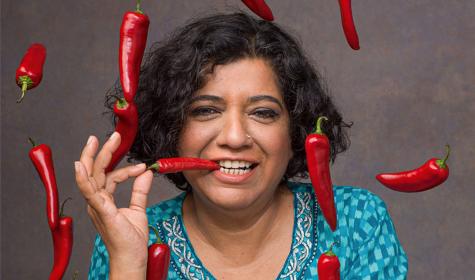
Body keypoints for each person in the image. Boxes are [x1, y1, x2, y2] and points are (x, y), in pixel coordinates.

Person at [76, 12, 408, 279]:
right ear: (171, 129)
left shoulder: (357, 222)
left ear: (296, 132)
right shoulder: (129, 240)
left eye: (263, 113)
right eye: (206, 110)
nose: (235, 138)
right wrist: (129, 268)